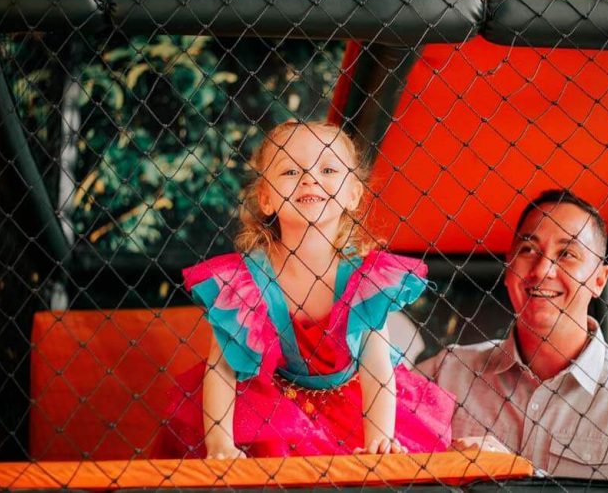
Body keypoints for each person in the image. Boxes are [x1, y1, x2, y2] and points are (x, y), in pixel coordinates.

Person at [155, 121, 455, 459]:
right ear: (265, 198)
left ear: (353, 195)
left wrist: (379, 440)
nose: (310, 178)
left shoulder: (365, 277)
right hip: (277, 405)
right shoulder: (245, 281)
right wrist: (221, 443)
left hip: (355, 406)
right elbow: (222, 367)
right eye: (290, 171)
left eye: (327, 169)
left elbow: (376, 366)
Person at [419, 189, 608, 480]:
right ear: (509, 268)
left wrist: (516, 474)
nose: (543, 270)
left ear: (599, 280)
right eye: (528, 250)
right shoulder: (445, 373)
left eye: (567, 254)